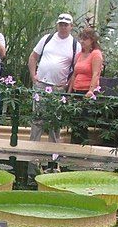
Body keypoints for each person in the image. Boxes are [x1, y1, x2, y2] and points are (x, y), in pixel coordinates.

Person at [28, 12, 81, 142]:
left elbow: (76, 69)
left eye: (66, 25)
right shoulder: (47, 38)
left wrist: (68, 84)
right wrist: (33, 76)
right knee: (37, 118)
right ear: (57, 25)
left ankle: (53, 156)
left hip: (58, 88)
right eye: (61, 24)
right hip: (41, 84)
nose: (63, 27)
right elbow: (33, 57)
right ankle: (33, 152)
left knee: (55, 120)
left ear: (71, 26)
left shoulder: (75, 45)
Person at [67, 27, 103, 144]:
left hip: (87, 92)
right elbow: (74, 74)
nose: (82, 41)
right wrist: (69, 92)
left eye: (85, 39)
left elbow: (96, 73)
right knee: (75, 121)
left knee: (83, 121)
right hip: (77, 90)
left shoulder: (96, 54)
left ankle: (82, 146)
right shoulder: (79, 55)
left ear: (92, 40)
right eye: (81, 39)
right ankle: (74, 146)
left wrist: (91, 90)